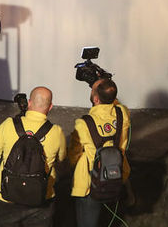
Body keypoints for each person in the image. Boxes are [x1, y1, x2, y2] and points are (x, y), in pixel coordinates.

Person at [0, 86, 66, 226]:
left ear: (29, 103)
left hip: (6, 197)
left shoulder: (8, 125)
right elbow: (62, 158)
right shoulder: (56, 132)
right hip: (41, 198)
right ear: (50, 107)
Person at [68, 79, 130, 227]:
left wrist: (73, 166)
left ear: (96, 99)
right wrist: (107, 89)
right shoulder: (123, 114)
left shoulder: (83, 124)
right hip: (116, 176)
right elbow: (115, 102)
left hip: (90, 183)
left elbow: (74, 155)